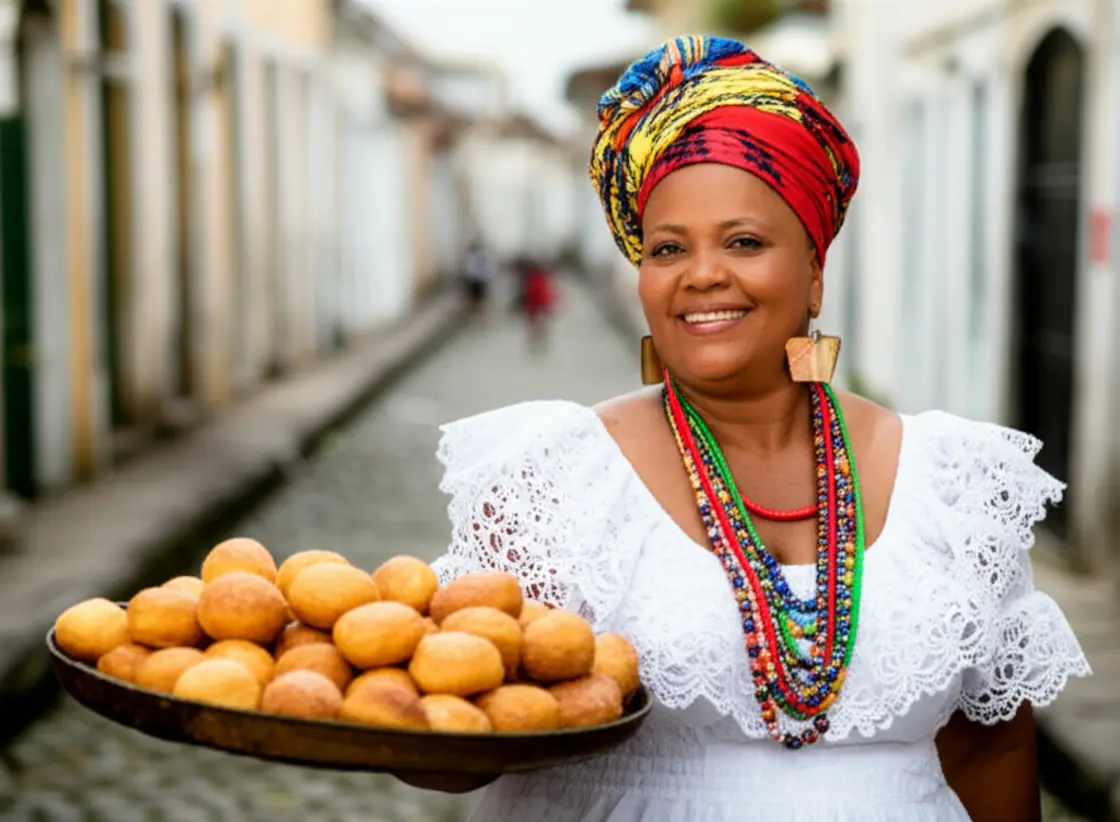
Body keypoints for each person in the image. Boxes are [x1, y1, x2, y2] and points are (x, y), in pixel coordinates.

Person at [417, 37, 1090, 821]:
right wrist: (405, 720)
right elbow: (462, 723)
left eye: (744, 241)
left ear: (814, 271)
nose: (702, 273)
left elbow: (990, 745)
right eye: (668, 248)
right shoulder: (554, 483)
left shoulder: (958, 484)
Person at [462, 240, 493, 314]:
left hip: (474, 278)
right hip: (478, 278)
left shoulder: (472, 256)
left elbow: (470, 268)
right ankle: (478, 309)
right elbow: (485, 267)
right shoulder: (479, 256)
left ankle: (476, 309)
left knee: (475, 294)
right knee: (478, 295)